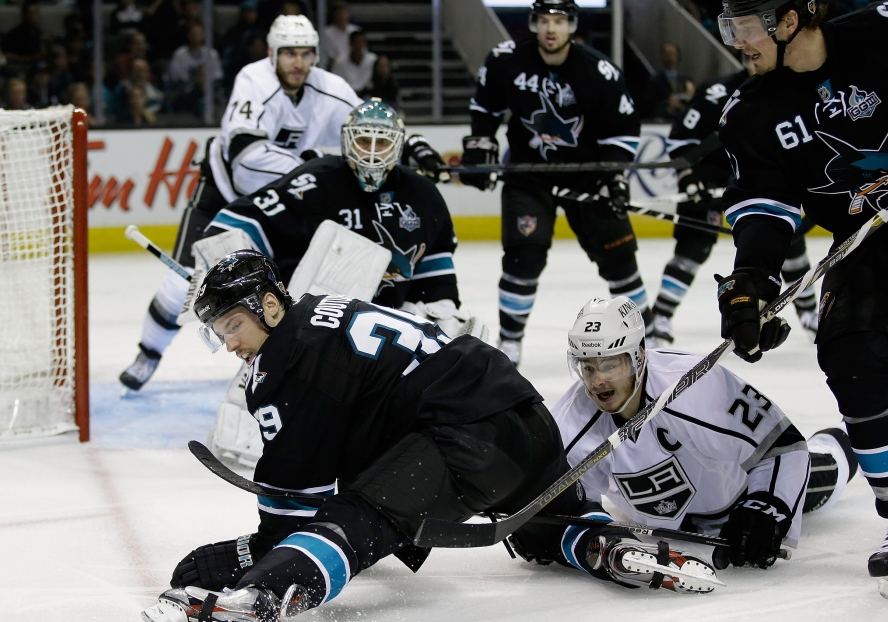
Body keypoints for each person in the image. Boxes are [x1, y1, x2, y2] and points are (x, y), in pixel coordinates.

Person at [139, 251, 721, 622]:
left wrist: (247, 558)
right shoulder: (324, 312)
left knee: (362, 515)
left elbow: (296, 510)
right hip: (520, 412)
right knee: (545, 525)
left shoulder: (290, 365)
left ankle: (261, 600)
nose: (231, 343)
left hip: (461, 434)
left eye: (234, 325)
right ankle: (608, 546)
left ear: (269, 305)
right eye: (220, 332)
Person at [715, 0, 888, 597]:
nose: (735, 41)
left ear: (790, 19)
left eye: (745, 26)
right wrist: (752, 278)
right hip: (869, 240)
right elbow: (764, 203)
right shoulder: (749, 111)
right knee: (851, 358)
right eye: (727, 28)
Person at [198, 99, 472, 468]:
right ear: (346, 142)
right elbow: (245, 218)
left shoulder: (422, 195)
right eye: (363, 142)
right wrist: (218, 264)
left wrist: (442, 311)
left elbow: (435, 270)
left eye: (382, 143)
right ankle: (249, 426)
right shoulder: (317, 180)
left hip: (383, 325)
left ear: (398, 144)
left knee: (459, 335)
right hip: (316, 317)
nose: (372, 154)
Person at [119, 15, 362, 393]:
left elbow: (367, 129)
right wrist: (312, 169)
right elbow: (245, 158)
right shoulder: (253, 79)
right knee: (178, 285)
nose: (298, 62)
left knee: (281, 293)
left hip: (277, 205)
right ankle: (148, 354)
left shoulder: (330, 87)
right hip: (224, 195)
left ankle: (279, 369)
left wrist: (413, 149)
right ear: (271, 53)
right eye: (289, 54)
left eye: (305, 53)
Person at [555, 296, 857, 571]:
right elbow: (569, 505)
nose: (598, 381)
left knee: (829, 469)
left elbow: (782, 445)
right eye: (588, 367)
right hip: (663, 526)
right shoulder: (571, 421)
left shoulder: (693, 386)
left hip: (742, 496)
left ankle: (846, 439)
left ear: (638, 356)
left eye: (610, 364)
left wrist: (766, 507)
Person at [463, 0, 650, 367]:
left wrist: (613, 176)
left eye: (560, 21)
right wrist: (480, 145)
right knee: (523, 256)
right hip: (529, 176)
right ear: (533, 23)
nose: (551, 29)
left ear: (573, 25)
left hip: (588, 177)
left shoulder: (599, 70)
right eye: (544, 21)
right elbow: (485, 107)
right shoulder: (505, 59)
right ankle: (511, 341)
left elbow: (624, 130)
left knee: (619, 259)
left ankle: (647, 335)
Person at [649, 56, 819, 347]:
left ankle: (809, 314)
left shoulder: (794, 90)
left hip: (764, 187)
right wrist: (689, 178)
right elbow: (681, 140)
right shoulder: (716, 92)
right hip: (711, 186)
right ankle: (661, 316)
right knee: (692, 249)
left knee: (789, 244)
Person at [329, 30, 376, 95]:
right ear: (350, 43)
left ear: (365, 44)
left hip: (368, 96)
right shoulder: (339, 62)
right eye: (356, 42)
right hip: (345, 95)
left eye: (361, 42)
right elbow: (334, 82)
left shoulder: (373, 60)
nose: (359, 46)